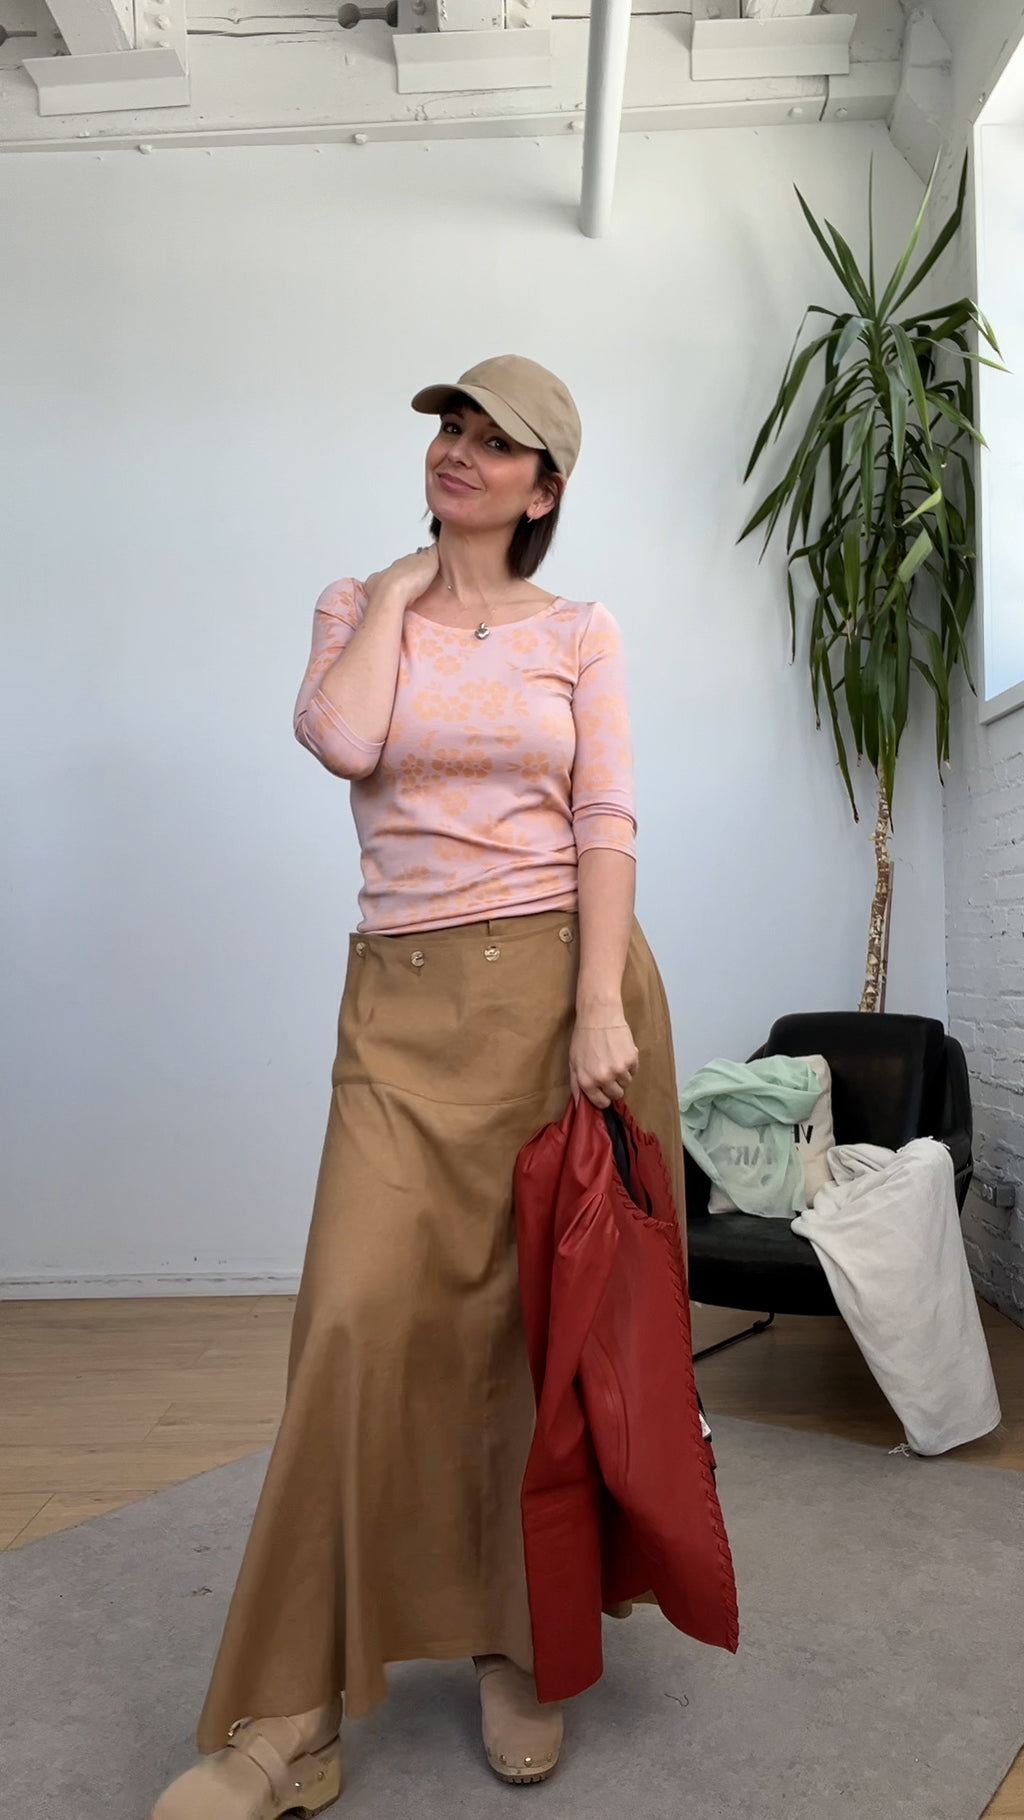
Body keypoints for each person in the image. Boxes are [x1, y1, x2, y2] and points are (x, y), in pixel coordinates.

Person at [153, 354, 688, 1820]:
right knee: (350, 1318)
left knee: (529, 1337)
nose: (459, 449)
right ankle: (292, 1712)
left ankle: (515, 1641)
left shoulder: (580, 630)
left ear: (546, 486)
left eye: (495, 440)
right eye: (451, 427)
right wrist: (401, 590)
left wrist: (597, 1005)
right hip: (399, 1009)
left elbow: (605, 815)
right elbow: (344, 740)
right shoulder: (357, 605)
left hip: (557, 997)